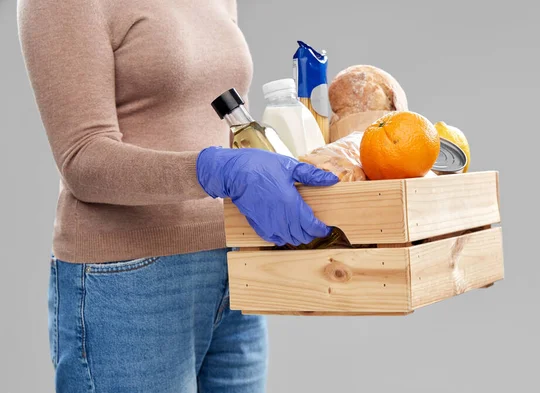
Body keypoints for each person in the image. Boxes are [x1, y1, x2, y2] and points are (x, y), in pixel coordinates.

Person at [17, 0, 338, 391]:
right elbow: (83, 158)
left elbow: (229, 119)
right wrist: (214, 170)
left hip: (235, 268)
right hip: (130, 283)